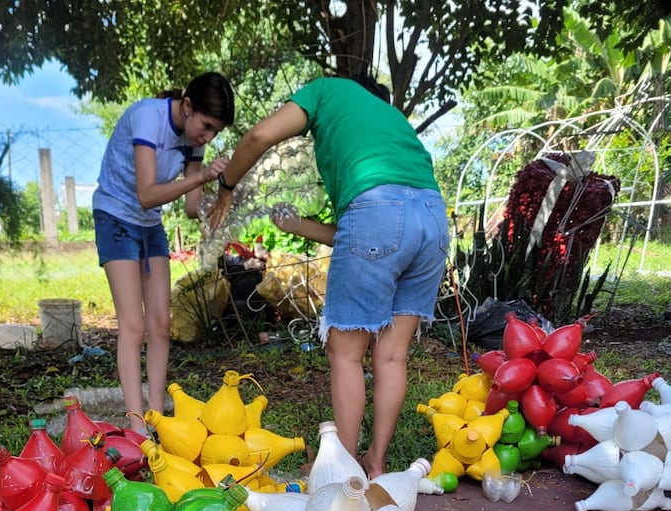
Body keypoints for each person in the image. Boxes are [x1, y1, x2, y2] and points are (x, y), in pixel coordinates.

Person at [209, 74, 448, 478]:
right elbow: (367, 233)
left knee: (346, 353)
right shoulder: (388, 121)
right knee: (391, 354)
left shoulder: (325, 91)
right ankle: (376, 460)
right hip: (433, 219)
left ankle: (343, 467)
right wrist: (297, 226)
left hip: (378, 212)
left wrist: (227, 183)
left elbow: (258, 137)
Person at [94, 72, 235, 432]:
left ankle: (158, 417)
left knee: (161, 323)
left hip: (148, 225)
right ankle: (136, 424)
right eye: (206, 125)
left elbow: (190, 207)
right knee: (134, 325)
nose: (208, 136)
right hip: (116, 217)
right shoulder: (148, 117)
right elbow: (147, 193)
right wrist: (200, 178)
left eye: (215, 131)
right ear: (187, 107)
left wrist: (221, 197)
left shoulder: (194, 141)